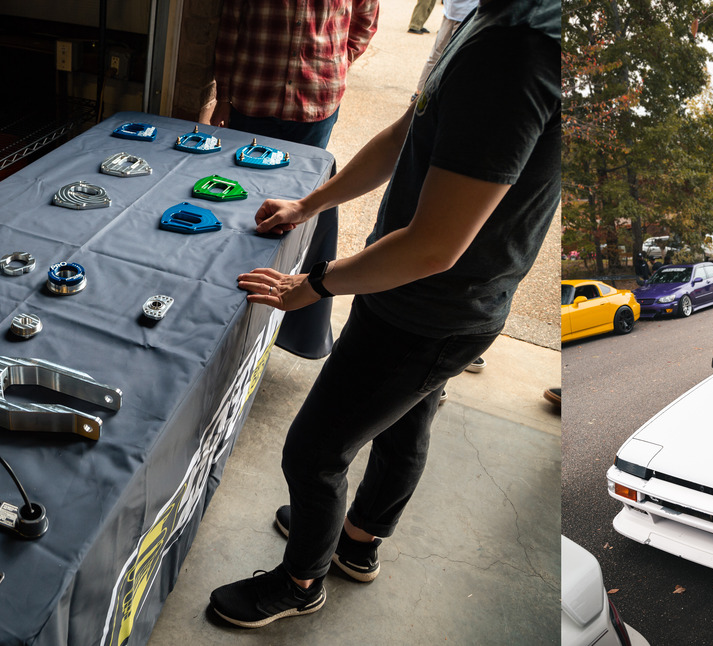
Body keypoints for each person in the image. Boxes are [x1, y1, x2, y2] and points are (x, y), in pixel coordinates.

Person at [208, 0, 560, 628]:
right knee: (405, 420)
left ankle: (301, 581)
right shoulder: (493, 21)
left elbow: (434, 245)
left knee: (314, 452)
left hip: (430, 306)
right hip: (428, 295)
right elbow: (408, 133)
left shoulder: (516, 59)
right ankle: (358, 541)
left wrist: (315, 283)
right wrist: (309, 205)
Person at [209, 0, 380, 360]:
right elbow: (230, 27)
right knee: (243, 209)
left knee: (298, 216)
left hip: (315, 103)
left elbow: (365, 22)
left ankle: (282, 328)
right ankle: (228, 319)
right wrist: (223, 96)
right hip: (252, 96)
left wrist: (336, 64)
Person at [415, 1, 479, 96]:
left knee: (440, 56)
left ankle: (420, 93)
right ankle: (421, 93)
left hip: (454, 13)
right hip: (459, 14)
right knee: (450, 59)